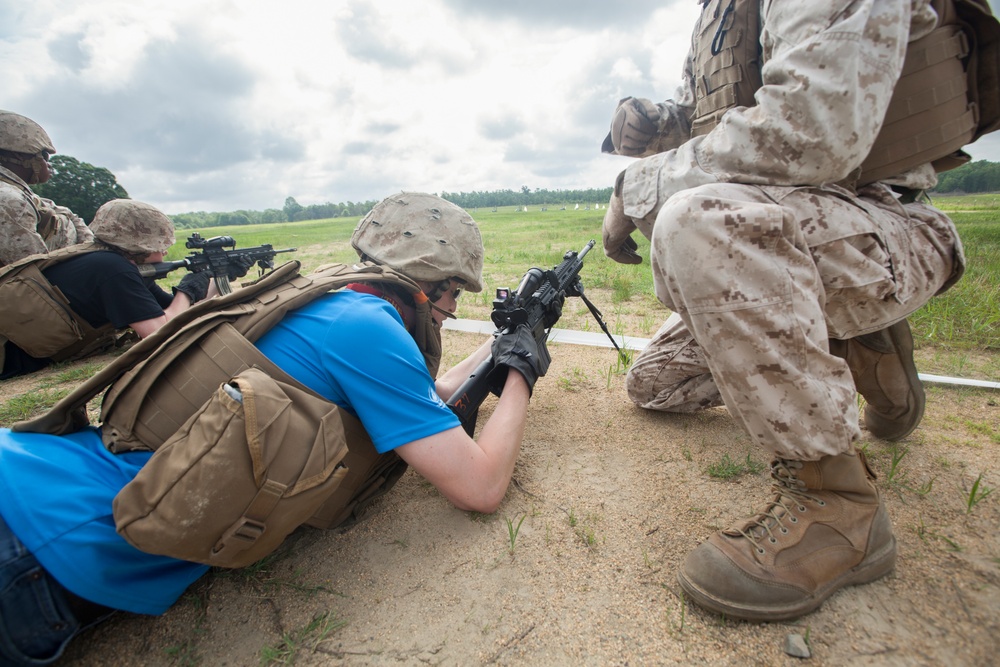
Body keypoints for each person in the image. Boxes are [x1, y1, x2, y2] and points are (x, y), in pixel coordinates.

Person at [0, 192, 550, 666]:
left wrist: (509, 340)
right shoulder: (367, 329)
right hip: (46, 539)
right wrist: (523, 371)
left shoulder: (327, 305)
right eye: (454, 296)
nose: (450, 313)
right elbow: (479, 487)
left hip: (36, 479)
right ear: (432, 286)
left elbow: (423, 405)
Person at [599, 0, 966, 621]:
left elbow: (809, 127)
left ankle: (838, 505)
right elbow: (719, 119)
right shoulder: (717, 13)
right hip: (789, 237)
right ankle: (854, 348)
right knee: (653, 384)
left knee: (697, 223)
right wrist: (659, 123)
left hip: (878, 224)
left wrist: (632, 188)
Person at [0, 198, 215, 379]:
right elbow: (160, 333)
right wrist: (186, 291)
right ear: (139, 246)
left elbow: (179, 314)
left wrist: (212, 280)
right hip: (9, 356)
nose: (164, 254)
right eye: (161, 247)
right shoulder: (113, 269)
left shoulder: (102, 259)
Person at [0, 110, 94, 266]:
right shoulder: (11, 201)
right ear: (20, 156)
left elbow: (64, 212)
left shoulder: (16, 193)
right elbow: (33, 271)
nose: (48, 164)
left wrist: (89, 247)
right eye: (44, 155)